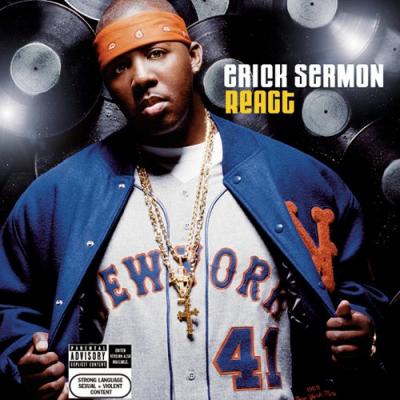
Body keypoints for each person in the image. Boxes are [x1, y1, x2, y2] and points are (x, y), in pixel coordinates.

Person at [0, 0, 388, 399]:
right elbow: (11, 310)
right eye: (119, 67)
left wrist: (362, 330)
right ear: (107, 87)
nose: (141, 77)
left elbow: (359, 292)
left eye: (156, 53)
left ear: (196, 56)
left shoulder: (302, 181)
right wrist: (28, 359)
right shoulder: (55, 199)